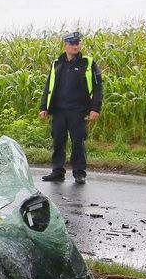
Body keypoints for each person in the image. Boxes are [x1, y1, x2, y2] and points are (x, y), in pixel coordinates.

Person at [39, 30, 103, 184]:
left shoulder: (87, 63)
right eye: (72, 43)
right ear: (65, 45)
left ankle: (79, 173)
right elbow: (49, 86)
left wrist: (95, 108)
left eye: (78, 43)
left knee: (77, 142)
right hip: (59, 110)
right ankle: (57, 171)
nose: (76, 46)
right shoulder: (57, 63)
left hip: (78, 110)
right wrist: (44, 107)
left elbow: (98, 87)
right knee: (58, 142)